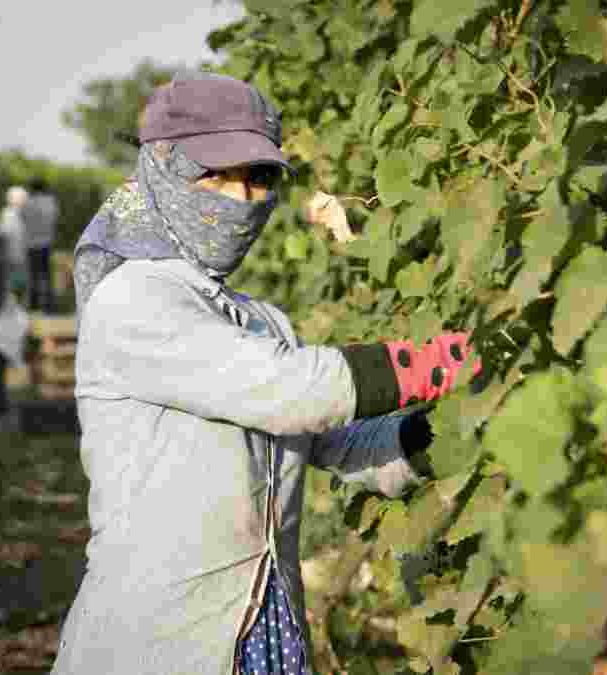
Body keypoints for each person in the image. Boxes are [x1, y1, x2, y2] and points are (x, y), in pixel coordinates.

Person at [51, 72, 480, 675]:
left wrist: (453, 428)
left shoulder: (260, 322)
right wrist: (450, 360)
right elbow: (294, 393)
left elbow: (340, 445)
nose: (242, 199)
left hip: (266, 628)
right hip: (162, 639)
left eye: (259, 178)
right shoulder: (132, 301)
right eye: (217, 174)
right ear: (164, 171)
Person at [21, 176, 60, 312]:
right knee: (47, 275)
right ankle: (49, 304)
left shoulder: (27, 203)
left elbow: (23, 218)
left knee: (33, 274)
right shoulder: (51, 202)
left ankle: (34, 303)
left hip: (31, 243)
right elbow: (55, 218)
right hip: (47, 242)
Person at [0, 185, 29, 298]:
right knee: (14, 283)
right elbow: (2, 234)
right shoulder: (9, 214)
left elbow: (1, 233)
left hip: (15, 254)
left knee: (15, 282)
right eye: (23, 198)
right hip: (14, 254)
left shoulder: (9, 213)